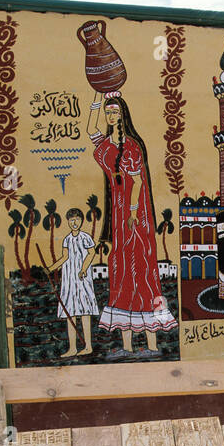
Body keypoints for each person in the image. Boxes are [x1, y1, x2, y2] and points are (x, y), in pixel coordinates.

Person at [86, 92, 177, 358]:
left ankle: (150, 345)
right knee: (121, 269)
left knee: (142, 269)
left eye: (114, 112)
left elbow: (137, 182)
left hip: (135, 216)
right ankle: (127, 346)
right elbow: (90, 129)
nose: (111, 116)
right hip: (118, 214)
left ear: (123, 115)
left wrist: (134, 211)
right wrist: (96, 95)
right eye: (108, 112)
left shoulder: (132, 146)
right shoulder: (107, 145)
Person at [51, 206, 99, 357]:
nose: (74, 222)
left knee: (85, 311)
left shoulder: (85, 237)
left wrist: (84, 268)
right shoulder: (67, 239)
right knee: (70, 311)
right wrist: (50, 268)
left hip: (83, 279)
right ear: (68, 222)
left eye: (77, 219)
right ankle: (72, 348)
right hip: (69, 279)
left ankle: (88, 346)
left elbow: (91, 253)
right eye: (72, 220)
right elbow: (65, 257)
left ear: (81, 221)